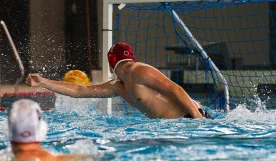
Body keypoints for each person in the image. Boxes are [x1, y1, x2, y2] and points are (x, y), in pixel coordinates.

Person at [26, 42, 211, 119]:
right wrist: (43, 81)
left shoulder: (139, 71)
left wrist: (198, 119)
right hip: (174, 127)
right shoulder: (117, 85)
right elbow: (79, 91)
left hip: (192, 118)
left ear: (111, 62)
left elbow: (176, 89)